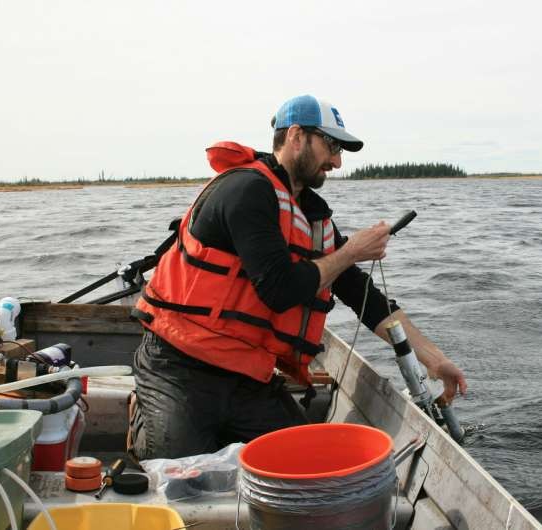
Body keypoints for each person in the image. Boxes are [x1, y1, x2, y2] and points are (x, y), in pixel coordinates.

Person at [128, 95, 467, 460]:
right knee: (178, 481)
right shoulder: (246, 190)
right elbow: (279, 288)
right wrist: (351, 250)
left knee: (315, 470)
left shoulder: (311, 214)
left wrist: (432, 358)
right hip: (177, 369)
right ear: (295, 136)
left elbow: (361, 295)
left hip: (247, 379)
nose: (337, 161)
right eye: (331, 145)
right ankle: (145, 418)